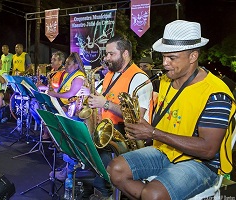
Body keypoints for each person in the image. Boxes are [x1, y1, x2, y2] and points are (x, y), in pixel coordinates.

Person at [107, 20, 236, 200]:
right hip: (166, 151)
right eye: (164, 56)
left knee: (152, 194)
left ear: (193, 56)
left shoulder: (216, 94)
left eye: (172, 58)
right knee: (115, 170)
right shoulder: (167, 82)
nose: (165, 63)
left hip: (201, 163)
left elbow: (208, 149)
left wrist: (152, 132)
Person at [80, 35, 153, 199]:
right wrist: (92, 95)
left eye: (111, 54)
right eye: (106, 54)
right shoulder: (110, 75)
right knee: (87, 145)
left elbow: (137, 116)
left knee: (98, 153)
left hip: (127, 135)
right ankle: (97, 188)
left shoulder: (139, 78)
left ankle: (104, 190)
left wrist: (105, 104)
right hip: (108, 129)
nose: (106, 58)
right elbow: (106, 97)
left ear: (125, 54)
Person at [46, 52, 86, 181]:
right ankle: (67, 165)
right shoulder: (70, 75)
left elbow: (71, 94)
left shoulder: (79, 77)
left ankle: (69, 170)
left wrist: (55, 95)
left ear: (75, 65)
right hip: (65, 107)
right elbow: (62, 91)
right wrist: (50, 92)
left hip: (73, 111)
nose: (66, 65)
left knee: (67, 135)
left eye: (68, 63)